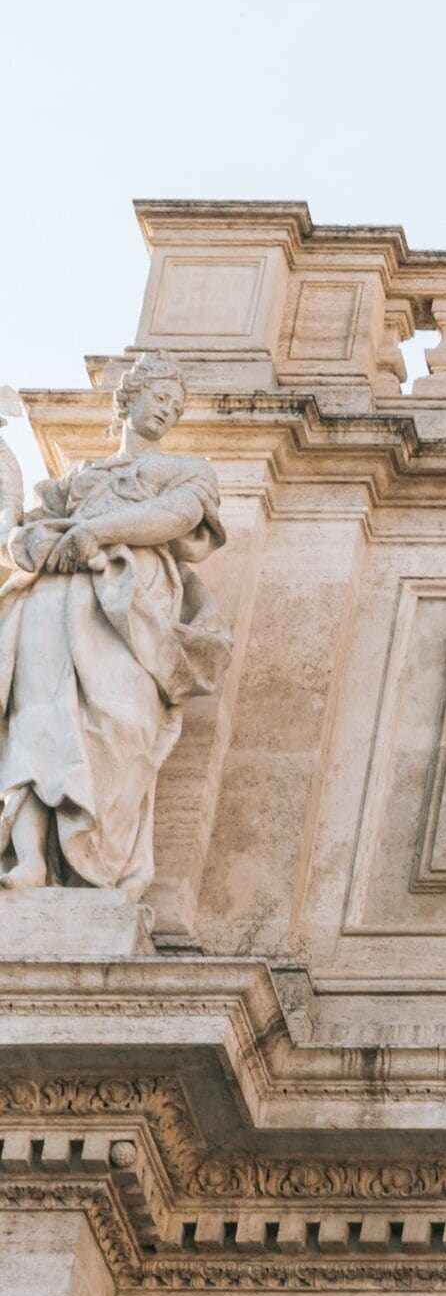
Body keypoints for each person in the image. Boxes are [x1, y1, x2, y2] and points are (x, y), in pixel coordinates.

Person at [0, 353, 230, 895]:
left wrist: (97, 532)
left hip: (132, 606)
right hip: (54, 599)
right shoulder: (76, 480)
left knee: (124, 726)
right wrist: (17, 528)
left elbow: (174, 518)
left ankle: (102, 865)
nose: (167, 410)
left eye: (175, 405)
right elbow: (22, 532)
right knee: (40, 720)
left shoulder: (189, 469)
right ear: (130, 398)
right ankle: (32, 859)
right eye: (159, 397)